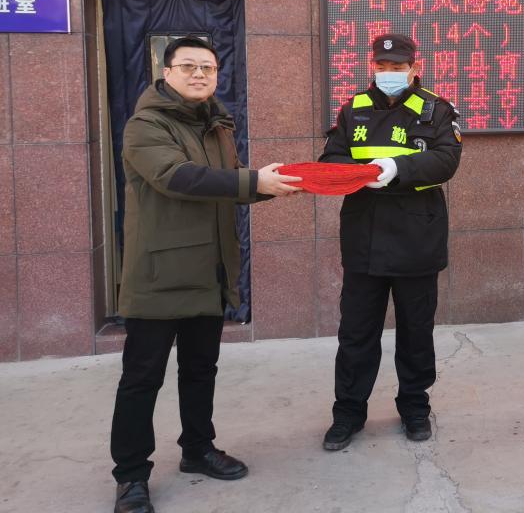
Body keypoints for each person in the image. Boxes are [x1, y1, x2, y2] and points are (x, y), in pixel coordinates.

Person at [110, 37, 301, 513]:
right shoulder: (145, 125)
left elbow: (229, 182)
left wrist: (273, 185)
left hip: (210, 270)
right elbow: (178, 178)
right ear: (167, 72)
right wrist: (253, 180)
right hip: (159, 274)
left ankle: (197, 449)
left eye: (208, 68)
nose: (199, 74)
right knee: (142, 378)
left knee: (200, 370)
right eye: (189, 66)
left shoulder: (217, 124)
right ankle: (131, 475)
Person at [321, 33, 462, 452]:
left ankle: (415, 407)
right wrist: (365, 171)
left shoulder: (436, 109)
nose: (389, 73)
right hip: (363, 239)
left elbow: (446, 160)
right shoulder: (354, 108)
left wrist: (396, 168)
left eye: (397, 67)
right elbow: (331, 159)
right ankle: (348, 412)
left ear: (415, 68)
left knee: (416, 332)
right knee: (356, 333)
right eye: (382, 66)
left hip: (417, 238)